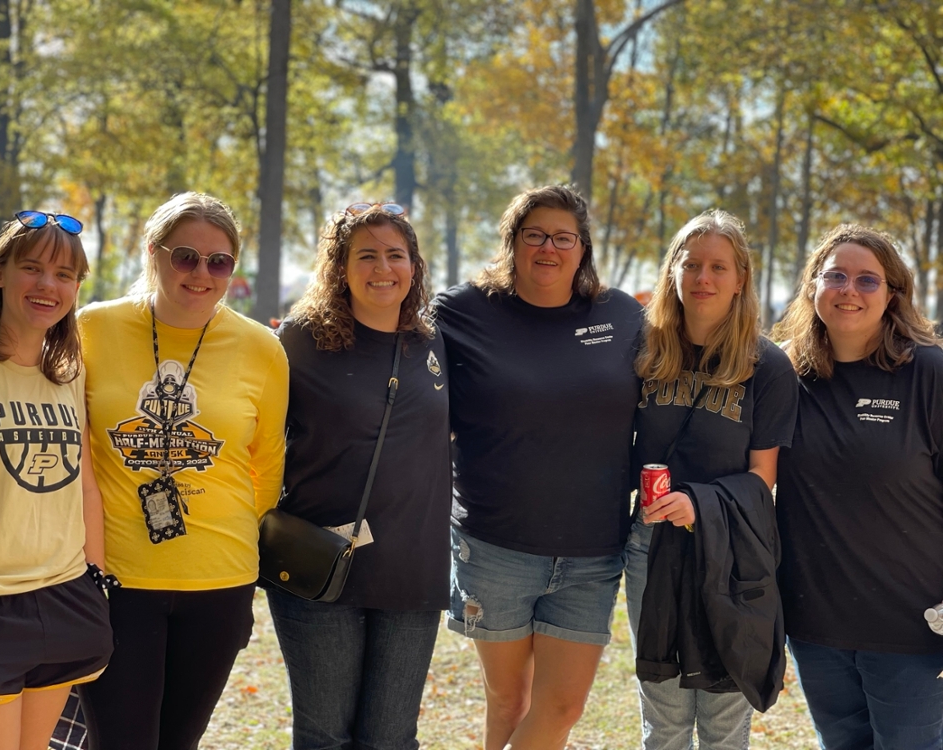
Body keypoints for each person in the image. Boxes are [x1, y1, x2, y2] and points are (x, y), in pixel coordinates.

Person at [434, 185, 644, 749]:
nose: (548, 248)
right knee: (508, 701)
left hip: (592, 549)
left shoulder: (621, 315)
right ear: (512, 242)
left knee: (561, 706)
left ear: (582, 249)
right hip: (495, 542)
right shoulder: (462, 312)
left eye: (563, 237)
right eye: (535, 235)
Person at [76, 192, 289, 750]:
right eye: (185, 257)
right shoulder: (90, 329)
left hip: (219, 581)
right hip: (115, 581)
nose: (202, 274)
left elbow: (266, 466)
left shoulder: (262, 349)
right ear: (154, 252)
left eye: (219, 262)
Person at [264, 201, 451, 749]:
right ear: (339, 267)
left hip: (412, 568)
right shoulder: (300, 340)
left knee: (391, 739)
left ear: (413, 267)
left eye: (396, 255)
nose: (382, 268)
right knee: (324, 736)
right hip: (318, 563)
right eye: (365, 255)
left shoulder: (432, 342)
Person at [624, 209, 797, 750]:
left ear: (740, 278)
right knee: (665, 716)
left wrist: (699, 504)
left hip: (731, 550)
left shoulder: (765, 366)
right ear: (673, 270)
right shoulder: (644, 351)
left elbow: (762, 475)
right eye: (692, 263)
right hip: (650, 546)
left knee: (723, 721)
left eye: (719, 267)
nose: (704, 278)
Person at [0, 211, 112, 750]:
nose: (48, 285)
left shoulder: (69, 372)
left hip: (62, 596)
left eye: (65, 275)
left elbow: (83, 482)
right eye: (33, 268)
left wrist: (96, 579)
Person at [773, 224, 943, 750]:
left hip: (913, 629)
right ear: (812, 287)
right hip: (814, 623)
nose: (849, 290)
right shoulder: (782, 374)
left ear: (893, 294)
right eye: (836, 276)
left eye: (868, 280)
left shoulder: (929, 374)